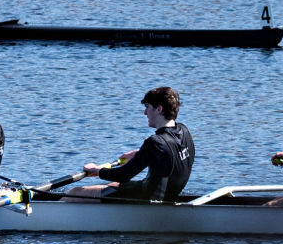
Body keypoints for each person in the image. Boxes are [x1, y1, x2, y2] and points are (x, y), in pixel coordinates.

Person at [64, 86, 195, 202]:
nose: (145, 113)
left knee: (74, 193)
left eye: (147, 107)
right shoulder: (184, 131)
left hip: (148, 200)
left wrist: (97, 170)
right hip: (164, 195)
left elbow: (123, 175)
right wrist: (139, 154)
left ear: (159, 109)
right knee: (112, 185)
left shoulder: (155, 143)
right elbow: (170, 154)